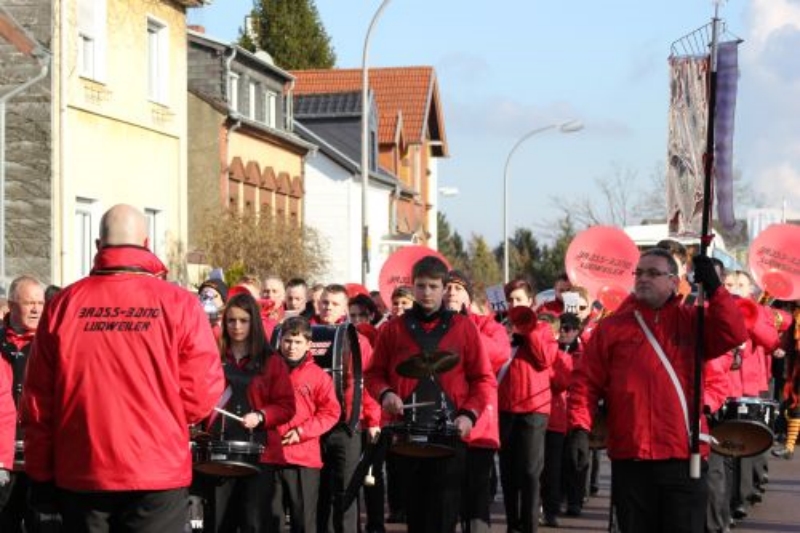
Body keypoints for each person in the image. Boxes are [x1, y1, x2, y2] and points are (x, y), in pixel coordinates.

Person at [22, 204, 226, 532]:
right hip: (157, 469)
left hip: (83, 467)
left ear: (98, 246)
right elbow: (204, 388)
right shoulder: (179, 304)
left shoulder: (63, 304)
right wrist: (165, 415)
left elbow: (38, 401)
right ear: (147, 244)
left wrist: (40, 473)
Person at [567, 249, 748, 532]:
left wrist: (715, 289)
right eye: (639, 273)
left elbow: (734, 333)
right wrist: (579, 427)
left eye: (653, 273)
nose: (643, 279)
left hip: (682, 455)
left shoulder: (693, 321)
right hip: (631, 456)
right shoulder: (612, 327)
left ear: (674, 282)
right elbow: (585, 382)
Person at [366, 256, 495, 533]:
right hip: (407, 432)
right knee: (416, 514)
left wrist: (469, 415)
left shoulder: (463, 327)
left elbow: (483, 379)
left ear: (444, 288)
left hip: (450, 431)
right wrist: (385, 394)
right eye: (421, 286)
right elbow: (374, 374)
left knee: (444, 514)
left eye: (433, 286)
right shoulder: (394, 329)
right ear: (412, 287)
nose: (426, 293)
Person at [197, 292, 295, 532]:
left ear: (254, 323)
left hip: (260, 455)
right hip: (220, 452)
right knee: (220, 523)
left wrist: (261, 416)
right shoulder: (213, 357)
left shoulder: (272, 361)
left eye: (243, 320)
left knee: (255, 523)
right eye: (231, 320)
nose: (236, 326)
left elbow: (286, 406)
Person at [443, 270, 508, 533]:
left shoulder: (487, 325)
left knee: (476, 501)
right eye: (446, 287)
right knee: (446, 499)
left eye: (457, 288)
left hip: (479, 425)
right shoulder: (430, 325)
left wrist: (463, 325)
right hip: (444, 422)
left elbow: (500, 354)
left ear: (468, 296)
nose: (451, 292)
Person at [263, 316, 340, 532]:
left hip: (303, 459)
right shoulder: (266, 370)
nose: (291, 347)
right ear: (280, 341)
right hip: (270, 456)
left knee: (304, 523)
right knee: (271, 521)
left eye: (298, 342)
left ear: (308, 345)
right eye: (287, 341)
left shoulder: (319, 377)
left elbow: (331, 412)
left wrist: (303, 431)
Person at [313, 284, 380, 533]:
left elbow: (366, 382)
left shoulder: (357, 340)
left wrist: (373, 421)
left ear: (345, 308)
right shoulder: (307, 334)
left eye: (335, 303)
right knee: (320, 491)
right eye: (325, 302)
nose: (328, 307)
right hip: (314, 425)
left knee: (347, 491)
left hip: (347, 425)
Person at [498, 278, 559, 533]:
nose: (514, 304)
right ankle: (513, 525)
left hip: (534, 408)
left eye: (519, 300)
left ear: (531, 302)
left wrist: (527, 330)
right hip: (505, 406)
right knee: (508, 471)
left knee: (531, 472)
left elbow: (546, 360)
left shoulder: (542, 328)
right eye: (511, 300)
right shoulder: (500, 327)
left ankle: (530, 526)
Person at [0, 275, 45, 531]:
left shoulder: (52, 345)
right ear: (11, 305)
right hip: (3, 460)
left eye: (40, 302)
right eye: (29, 303)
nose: (37, 309)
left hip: (38, 456)